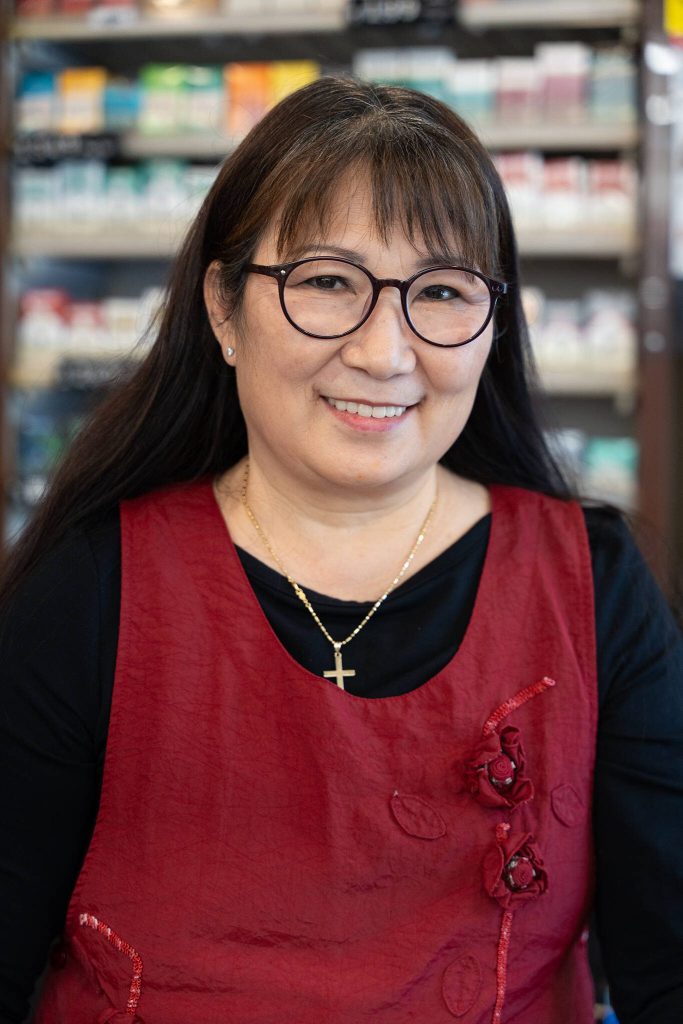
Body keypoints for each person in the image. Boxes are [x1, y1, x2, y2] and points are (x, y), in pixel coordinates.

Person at [1, 76, 682, 1024]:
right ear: (225, 310)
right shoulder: (91, 586)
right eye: (327, 281)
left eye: (440, 291)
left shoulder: (592, 586)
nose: (384, 350)